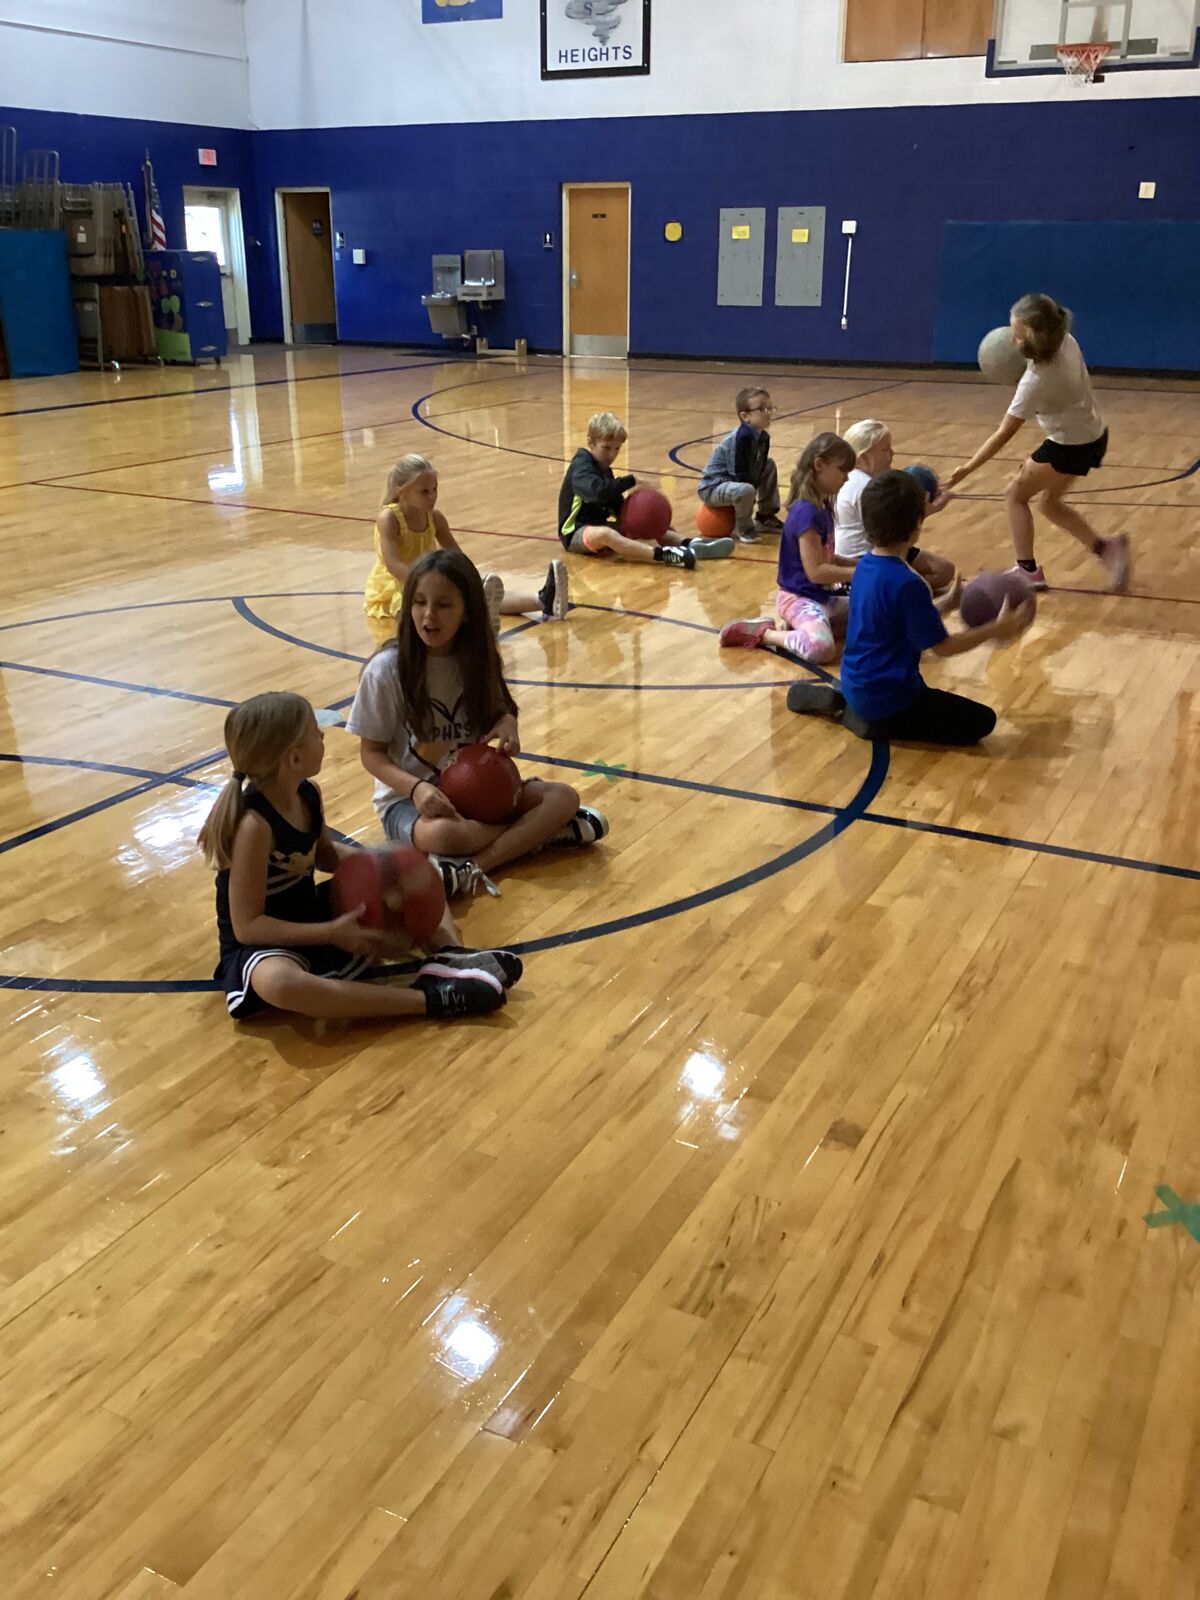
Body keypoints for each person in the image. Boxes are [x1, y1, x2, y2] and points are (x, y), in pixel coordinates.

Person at [199, 691, 516, 1022]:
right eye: (314, 731)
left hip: (311, 912)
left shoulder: (307, 793)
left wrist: (388, 865)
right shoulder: (253, 825)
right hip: (265, 940)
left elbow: (323, 854)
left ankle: (451, 958)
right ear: (293, 758)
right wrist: (331, 933)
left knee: (416, 872)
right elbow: (249, 927)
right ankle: (431, 1000)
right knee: (281, 983)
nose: (322, 735)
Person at [348, 549, 608, 899]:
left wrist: (508, 723)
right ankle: (539, 835)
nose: (428, 615)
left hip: (475, 793)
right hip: (409, 800)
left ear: (468, 611)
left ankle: (474, 867)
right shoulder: (387, 669)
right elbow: (371, 755)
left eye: (443, 605)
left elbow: (501, 712)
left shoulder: (476, 660)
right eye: (419, 602)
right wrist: (417, 789)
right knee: (445, 837)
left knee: (564, 797)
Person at [787, 470, 1034, 745]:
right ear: (917, 524)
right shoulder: (908, 583)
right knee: (982, 721)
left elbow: (897, 623)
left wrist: (947, 604)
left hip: (858, 681)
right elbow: (944, 647)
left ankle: (848, 701)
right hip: (889, 699)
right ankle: (862, 719)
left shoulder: (864, 567)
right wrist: (995, 629)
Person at [945, 294, 1130, 591]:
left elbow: (1003, 434)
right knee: (1050, 504)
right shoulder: (1066, 340)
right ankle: (1106, 549)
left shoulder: (1035, 382)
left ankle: (1027, 571)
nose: (1012, 340)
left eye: (1015, 334)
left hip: (1068, 446)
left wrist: (966, 469)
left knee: (1015, 495)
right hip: (1093, 434)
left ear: (1033, 336)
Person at [365, 455, 568, 643]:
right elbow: (393, 564)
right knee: (428, 609)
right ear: (402, 491)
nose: (432, 496)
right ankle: (476, 623)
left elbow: (456, 554)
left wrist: (471, 580)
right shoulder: (389, 518)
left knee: (475, 593)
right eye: (424, 491)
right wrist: (422, 582)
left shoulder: (435, 517)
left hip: (429, 576)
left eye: (435, 489)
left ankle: (543, 600)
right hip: (398, 584)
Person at [718, 432, 858, 665]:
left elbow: (828, 557)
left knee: (877, 612)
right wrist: (859, 572)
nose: (846, 478)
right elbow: (816, 572)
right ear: (820, 465)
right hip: (799, 599)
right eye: (843, 470)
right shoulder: (807, 512)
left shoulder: (822, 506)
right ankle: (765, 633)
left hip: (822, 597)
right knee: (821, 649)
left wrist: (861, 562)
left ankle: (804, 627)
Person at [558, 412, 734, 566]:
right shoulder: (581, 466)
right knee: (606, 534)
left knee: (649, 521)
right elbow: (597, 492)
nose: (612, 455)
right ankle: (664, 556)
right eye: (606, 448)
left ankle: (690, 544)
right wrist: (631, 480)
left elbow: (614, 503)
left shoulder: (604, 470)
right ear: (591, 442)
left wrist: (642, 515)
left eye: (617, 449)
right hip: (575, 533)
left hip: (598, 525)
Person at [834, 418, 956, 594]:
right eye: (885, 449)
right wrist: (924, 512)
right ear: (863, 458)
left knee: (943, 569)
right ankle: (883, 589)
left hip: (879, 549)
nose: (892, 454)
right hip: (865, 556)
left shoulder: (860, 479)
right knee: (921, 586)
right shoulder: (865, 488)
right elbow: (898, 537)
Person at [697, 385, 783, 543]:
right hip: (713, 486)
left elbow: (758, 468)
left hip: (732, 484)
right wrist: (748, 499)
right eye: (763, 409)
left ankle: (766, 516)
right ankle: (744, 528)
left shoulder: (763, 437)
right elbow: (738, 474)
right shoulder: (741, 437)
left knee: (769, 465)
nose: (769, 413)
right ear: (745, 416)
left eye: (771, 409)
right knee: (746, 489)